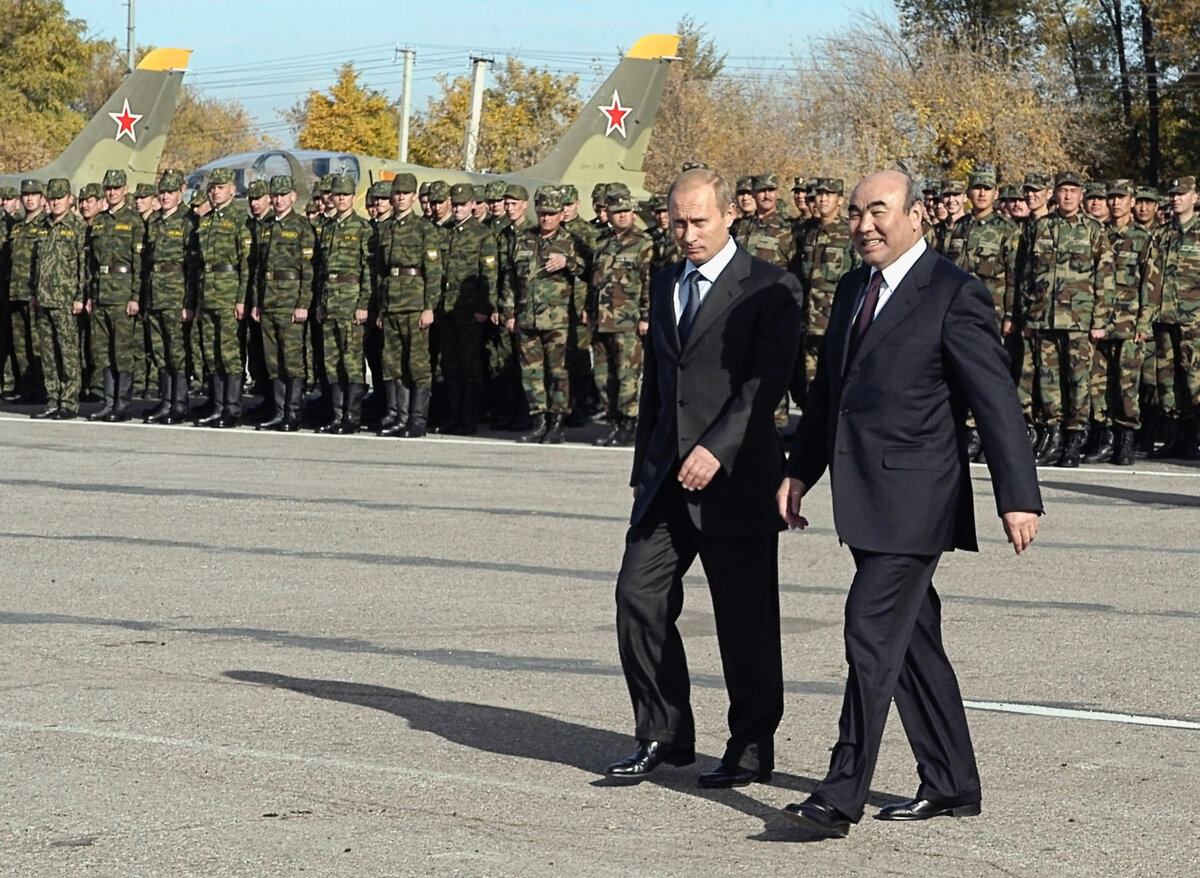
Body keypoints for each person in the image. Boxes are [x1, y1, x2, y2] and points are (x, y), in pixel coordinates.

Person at [776, 170, 1042, 838]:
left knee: (868, 629)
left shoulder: (953, 293)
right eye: (858, 213)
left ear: (918, 215)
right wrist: (799, 473)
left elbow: (996, 400)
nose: (866, 224)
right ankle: (952, 782)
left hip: (916, 500)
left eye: (881, 211)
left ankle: (839, 794)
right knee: (911, 641)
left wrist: (1018, 495)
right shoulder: (851, 287)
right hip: (863, 493)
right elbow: (829, 395)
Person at [604, 168, 802, 788]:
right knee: (639, 595)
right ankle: (664, 732)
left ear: (730, 216)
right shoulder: (665, 282)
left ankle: (750, 743)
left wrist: (718, 448)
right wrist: (644, 470)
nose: (687, 234)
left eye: (700, 222)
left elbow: (765, 383)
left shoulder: (771, 286)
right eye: (678, 222)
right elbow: (660, 385)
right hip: (667, 476)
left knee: (744, 619)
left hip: (737, 477)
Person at [85, 169, 143, 422]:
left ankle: (123, 404)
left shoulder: (134, 221)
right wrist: (89, 295)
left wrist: (135, 296)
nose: (112, 192)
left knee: (122, 352)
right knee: (104, 352)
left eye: (116, 188)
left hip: (122, 292)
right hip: (101, 293)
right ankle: (108, 403)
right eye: (108, 188)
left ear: (125, 190)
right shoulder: (98, 221)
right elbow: (90, 265)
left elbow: (140, 262)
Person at [30, 178, 87, 420]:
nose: (55, 202)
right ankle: (53, 398)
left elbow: (84, 266)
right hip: (44, 298)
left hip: (65, 300)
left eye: (59, 197)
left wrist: (80, 296)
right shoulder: (43, 226)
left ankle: (69, 401)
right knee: (48, 352)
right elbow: (37, 264)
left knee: (68, 352)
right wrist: (33, 293)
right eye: (52, 198)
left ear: (69, 199)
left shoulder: (77, 227)